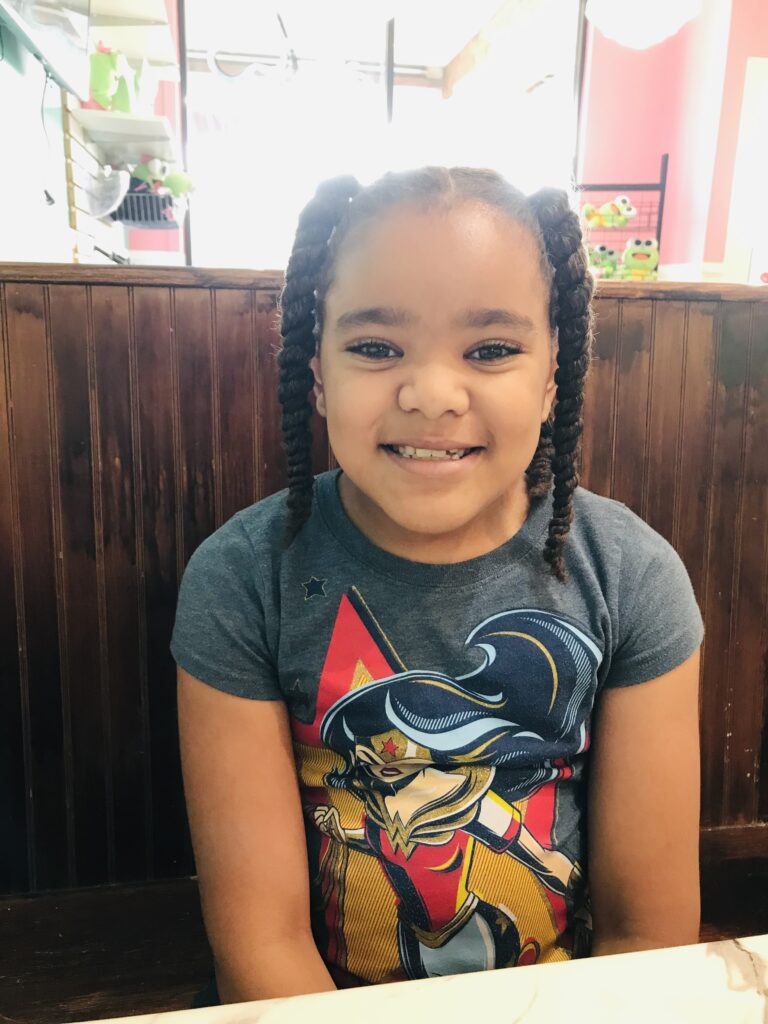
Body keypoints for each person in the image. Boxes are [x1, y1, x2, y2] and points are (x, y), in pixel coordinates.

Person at [171, 166, 703, 1006]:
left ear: (552, 378)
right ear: (318, 374)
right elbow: (261, 947)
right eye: (375, 348)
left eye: (490, 350)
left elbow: (648, 937)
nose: (431, 395)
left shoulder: (630, 575)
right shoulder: (241, 578)